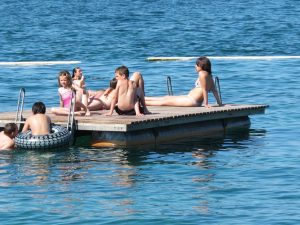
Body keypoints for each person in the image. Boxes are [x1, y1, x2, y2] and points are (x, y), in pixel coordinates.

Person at [145, 56, 222, 107]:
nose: (195, 66)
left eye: (196, 65)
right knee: (166, 97)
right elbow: (214, 90)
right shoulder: (209, 75)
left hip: (192, 100)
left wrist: (206, 104)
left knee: (164, 102)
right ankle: (144, 98)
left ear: (201, 66)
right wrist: (219, 103)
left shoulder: (202, 74)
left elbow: (204, 89)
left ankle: (142, 102)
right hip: (190, 98)